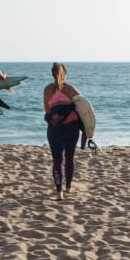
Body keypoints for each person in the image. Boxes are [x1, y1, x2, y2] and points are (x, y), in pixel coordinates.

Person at [42, 62, 82, 201]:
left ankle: (59, 193)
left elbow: (47, 110)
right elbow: (83, 108)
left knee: (57, 160)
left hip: (55, 127)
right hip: (72, 126)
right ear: (64, 74)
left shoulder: (47, 90)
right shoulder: (71, 89)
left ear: (52, 74)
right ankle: (69, 187)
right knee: (70, 157)